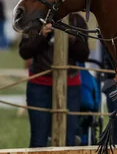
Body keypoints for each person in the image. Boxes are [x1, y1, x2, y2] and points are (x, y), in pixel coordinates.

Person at [18, 13, 90, 147]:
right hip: (39, 86)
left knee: (68, 139)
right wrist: (41, 36)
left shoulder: (76, 20)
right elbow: (24, 52)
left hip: (70, 85)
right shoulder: (35, 19)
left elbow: (83, 56)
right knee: (39, 139)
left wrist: (71, 38)